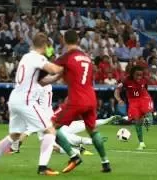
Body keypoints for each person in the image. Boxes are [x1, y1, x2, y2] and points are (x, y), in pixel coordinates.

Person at [0, 33, 64, 176]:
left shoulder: (26, 57)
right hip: (27, 101)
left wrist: (58, 76)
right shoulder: (38, 58)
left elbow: (42, 81)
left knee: (14, 135)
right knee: (50, 130)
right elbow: (53, 69)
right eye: (47, 47)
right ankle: (43, 167)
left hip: (14, 100)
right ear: (44, 46)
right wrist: (66, 67)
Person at [40, 30, 112, 173]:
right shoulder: (87, 58)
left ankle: (73, 156)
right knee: (93, 131)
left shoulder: (66, 57)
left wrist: (37, 75)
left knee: (50, 127)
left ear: (64, 41)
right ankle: (105, 162)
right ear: (78, 40)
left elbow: (52, 71)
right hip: (91, 98)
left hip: (76, 99)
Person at [114, 65, 154, 150]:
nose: (139, 77)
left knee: (148, 115)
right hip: (133, 102)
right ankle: (141, 143)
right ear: (132, 74)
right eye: (137, 75)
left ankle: (147, 122)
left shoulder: (144, 79)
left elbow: (145, 88)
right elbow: (117, 90)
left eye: (141, 75)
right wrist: (119, 99)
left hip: (144, 98)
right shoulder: (126, 80)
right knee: (137, 122)